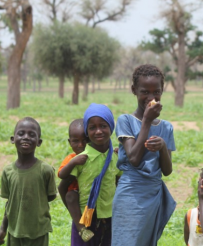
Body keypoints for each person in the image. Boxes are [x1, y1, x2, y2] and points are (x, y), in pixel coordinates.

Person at [112, 64, 176, 246]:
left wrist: (163, 147)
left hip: (153, 194)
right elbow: (133, 158)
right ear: (134, 90)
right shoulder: (126, 121)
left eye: (156, 92)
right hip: (130, 194)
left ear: (162, 90)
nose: (151, 97)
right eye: (144, 92)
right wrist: (146, 121)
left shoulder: (166, 127)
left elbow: (167, 170)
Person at [59, 103, 122, 246]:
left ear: (111, 127)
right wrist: (75, 216)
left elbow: (119, 181)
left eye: (103, 126)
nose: (98, 131)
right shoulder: (82, 159)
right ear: (87, 131)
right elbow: (63, 187)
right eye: (92, 127)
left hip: (110, 218)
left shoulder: (116, 157)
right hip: (85, 220)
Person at [0, 117, 57, 246]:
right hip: (14, 231)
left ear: (39, 142)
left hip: (38, 232)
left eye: (32, 135)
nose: (26, 137)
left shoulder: (46, 170)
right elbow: (10, 203)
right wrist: (2, 229)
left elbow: (51, 196)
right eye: (21, 133)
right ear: (12, 139)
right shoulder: (8, 171)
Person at [57, 119, 94, 242]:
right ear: (69, 142)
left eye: (85, 140)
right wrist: (73, 162)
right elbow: (61, 175)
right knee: (71, 197)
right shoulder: (71, 158)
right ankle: (81, 229)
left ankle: (86, 225)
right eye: (75, 141)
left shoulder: (94, 157)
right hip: (74, 192)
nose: (81, 145)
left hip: (89, 195)